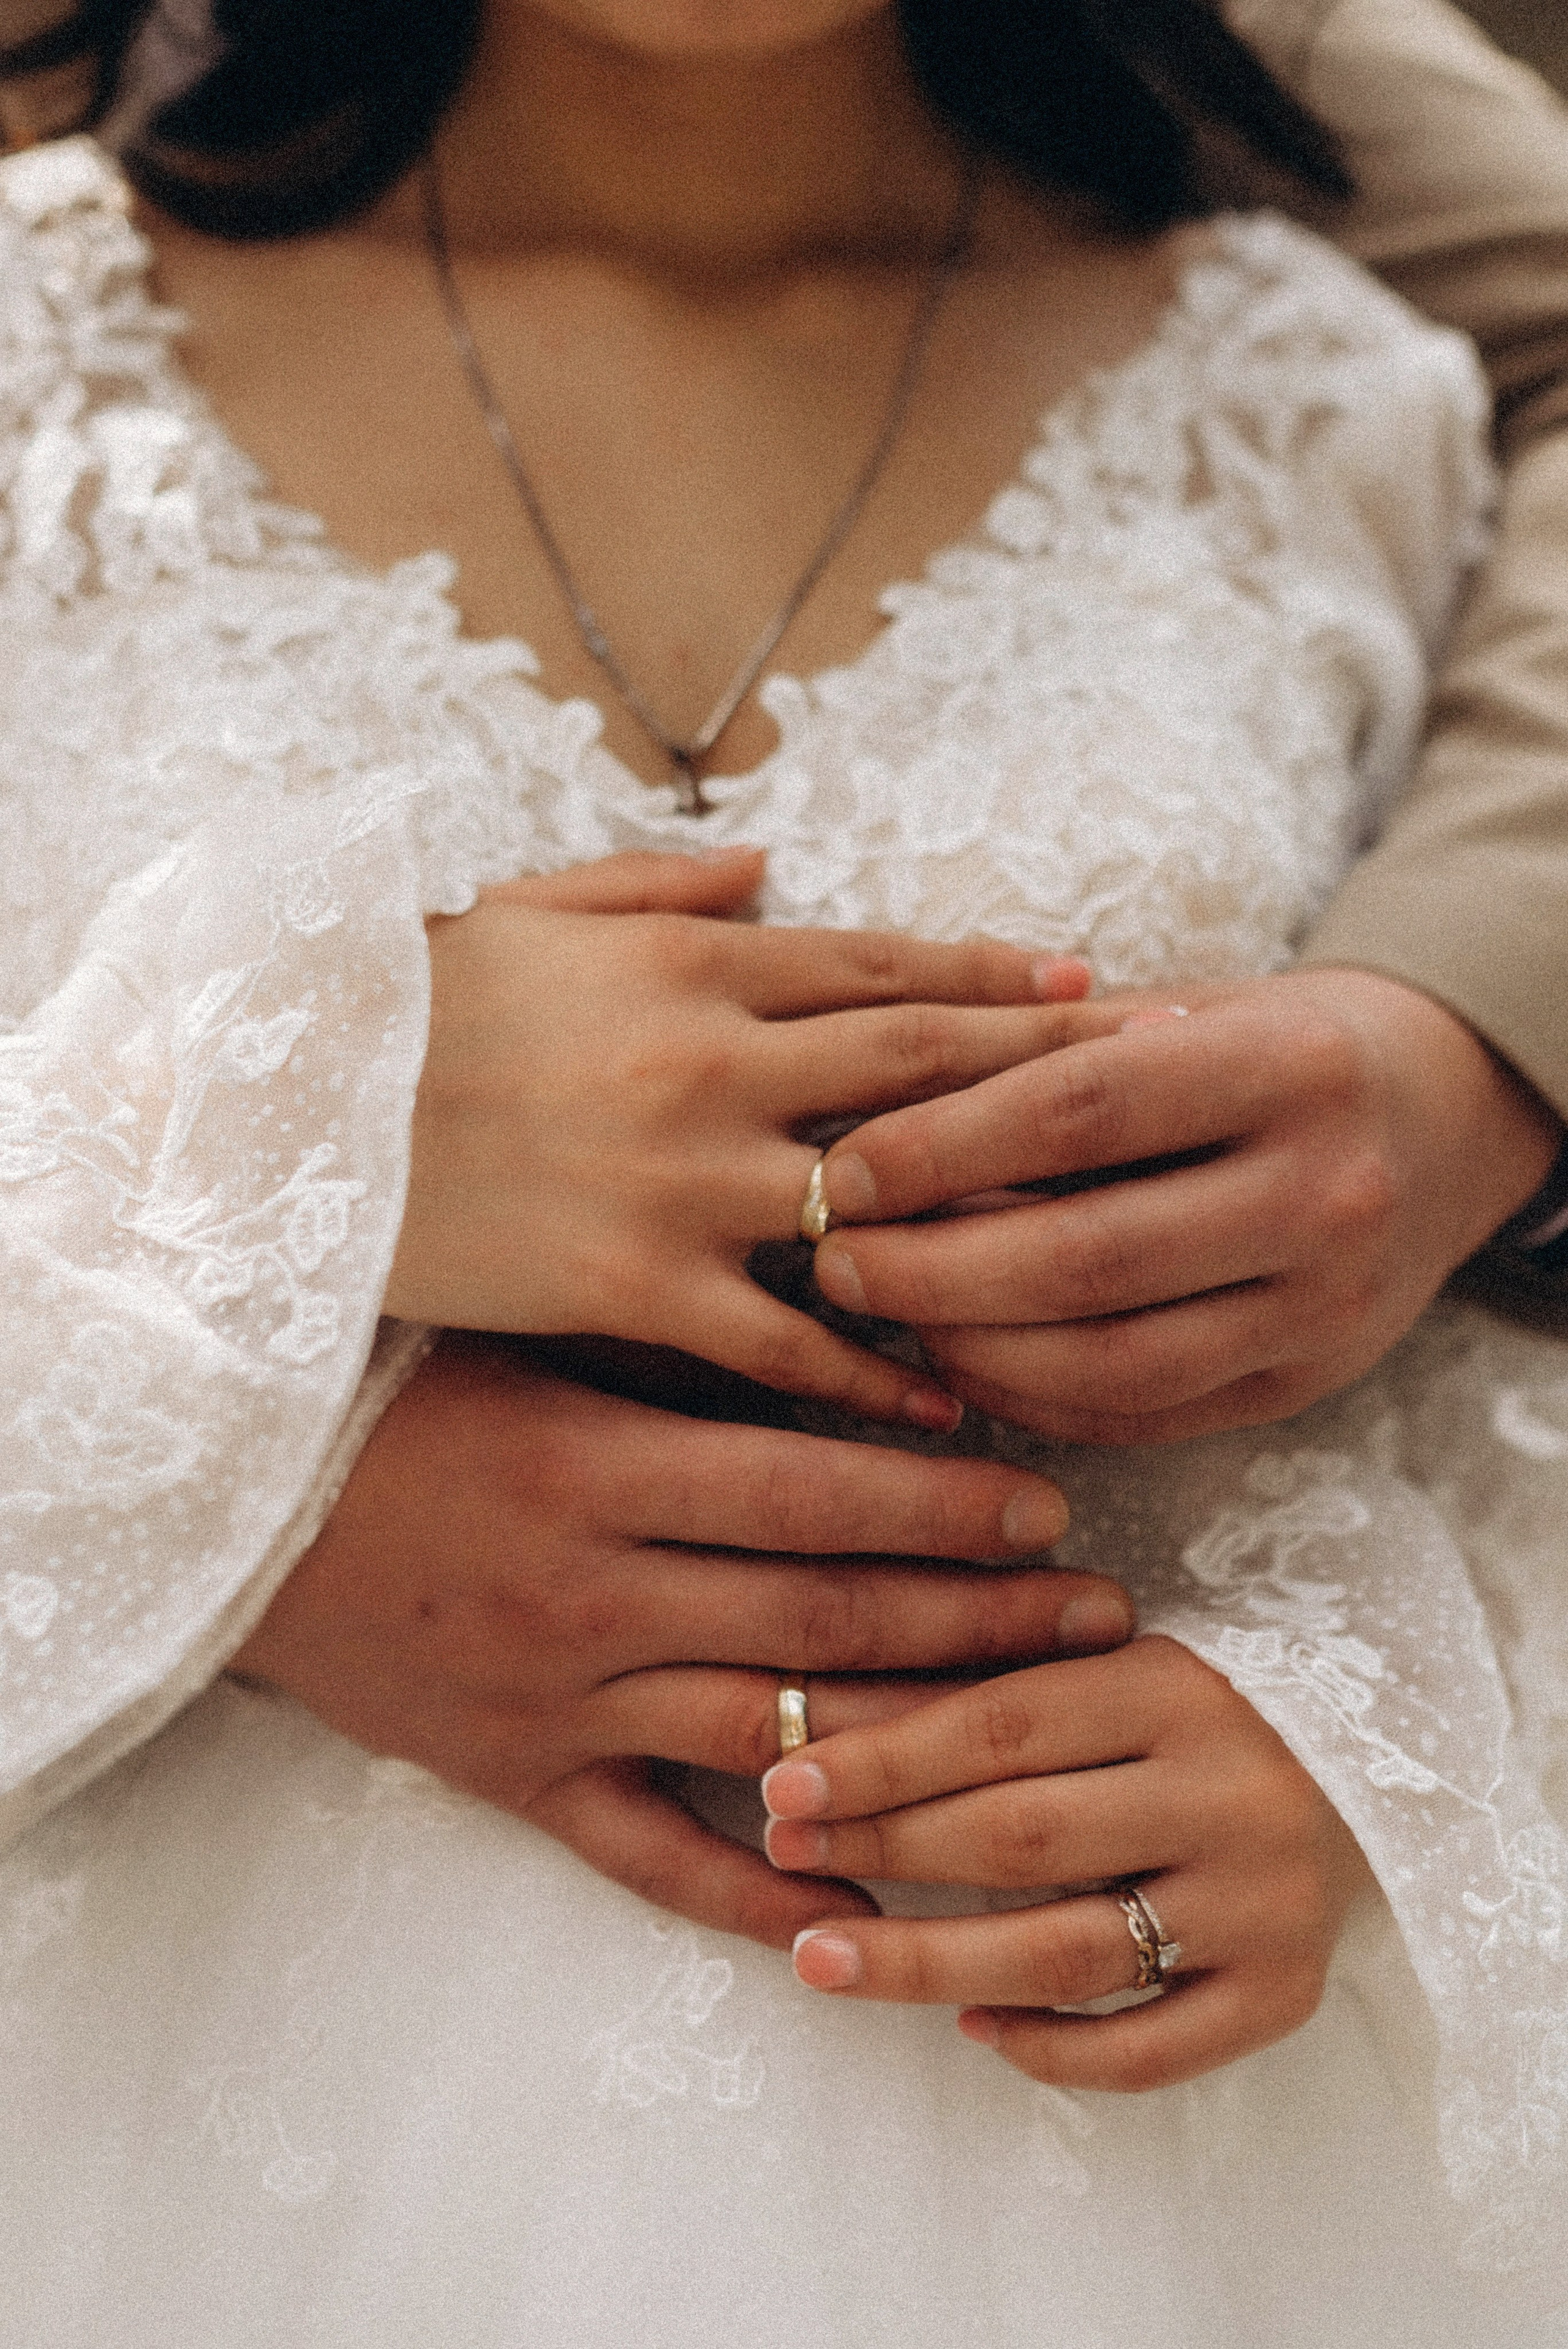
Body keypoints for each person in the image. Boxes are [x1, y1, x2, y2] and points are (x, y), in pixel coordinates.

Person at [1, 1, 1567, 2342]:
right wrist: (262, 1225)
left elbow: (1451, 1390)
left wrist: (1381, 1760)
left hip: (1166, 2187)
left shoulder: (1339, 402)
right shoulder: (39, 348)